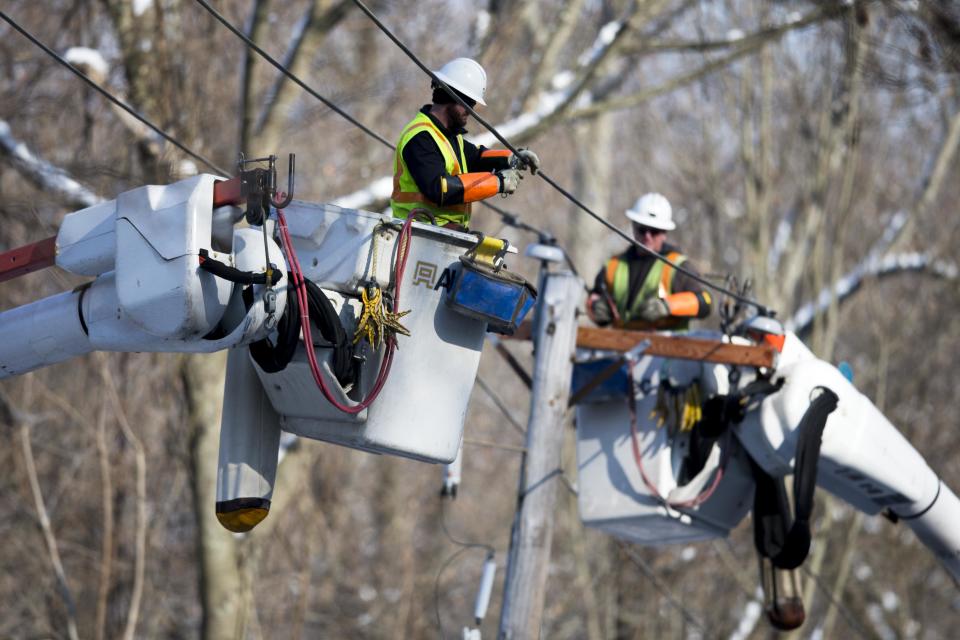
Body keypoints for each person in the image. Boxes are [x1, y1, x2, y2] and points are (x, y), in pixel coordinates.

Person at [391, 57, 540, 229]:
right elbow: (439, 188)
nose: (471, 111)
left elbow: (477, 157)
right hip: (416, 234)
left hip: (442, 235)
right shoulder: (419, 137)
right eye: (468, 103)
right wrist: (498, 182)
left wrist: (512, 158)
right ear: (451, 97)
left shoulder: (449, 137)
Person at [587, 193, 712, 330]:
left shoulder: (677, 267)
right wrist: (597, 309)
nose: (647, 236)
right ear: (633, 227)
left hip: (665, 348)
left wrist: (667, 306)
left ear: (664, 233)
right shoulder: (613, 265)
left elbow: (705, 302)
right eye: (642, 229)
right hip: (619, 346)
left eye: (654, 231)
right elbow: (594, 298)